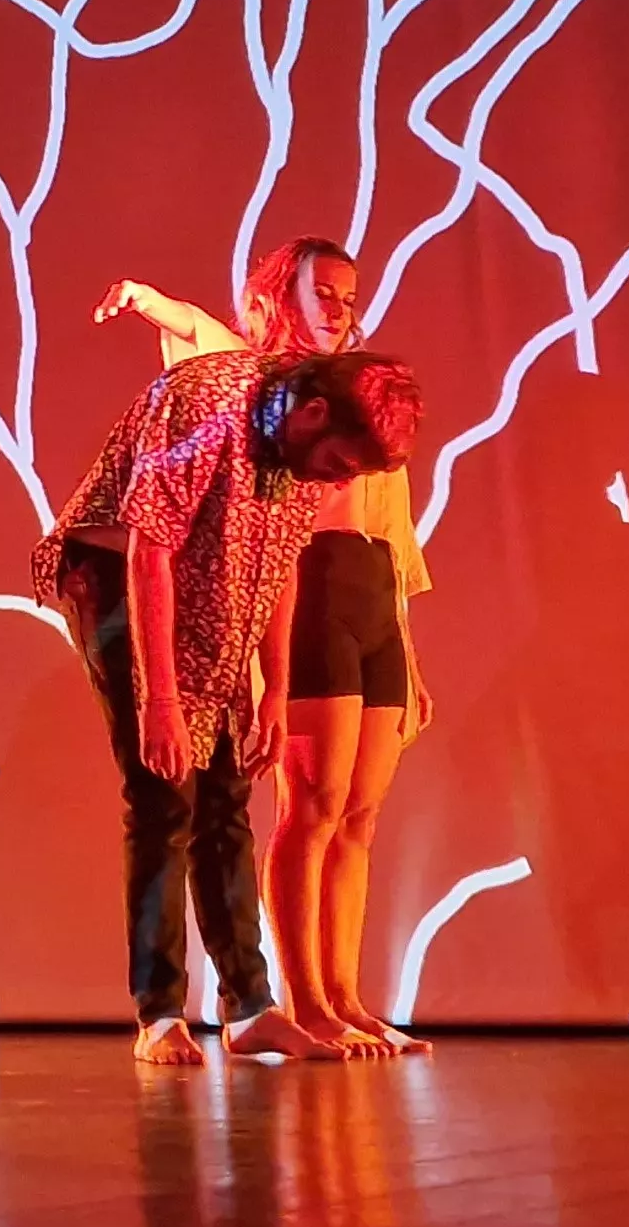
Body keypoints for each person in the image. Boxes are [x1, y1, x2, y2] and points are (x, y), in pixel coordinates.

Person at [29, 341, 420, 1066]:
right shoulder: (209, 406)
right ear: (312, 413)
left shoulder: (301, 456)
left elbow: (277, 567)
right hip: (121, 578)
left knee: (226, 799)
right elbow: (151, 550)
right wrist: (161, 700)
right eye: (339, 463)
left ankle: (250, 1008)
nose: (338, 480)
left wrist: (272, 689)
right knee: (164, 795)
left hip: (213, 588)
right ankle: (159, 1014)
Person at [97, 239, 437, 1056]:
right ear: (278, 293)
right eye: (320, 290)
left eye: (349, 296)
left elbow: (384, 533)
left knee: (328, 810)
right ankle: (216, 1007)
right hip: (230, 579)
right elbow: (150, 539)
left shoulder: (357, 402)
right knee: (222, 803)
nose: (338, 307)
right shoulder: (241, 388)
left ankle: (311, 1002)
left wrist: (400, 654)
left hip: (350, 589)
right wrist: (147, 297)